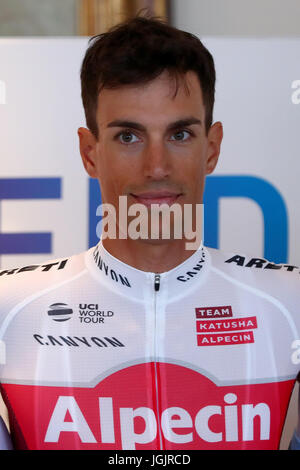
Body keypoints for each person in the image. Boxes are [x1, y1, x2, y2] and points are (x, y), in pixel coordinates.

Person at [0, 15, 299, 451]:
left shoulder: (289, 302)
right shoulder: (12, 310)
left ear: (211, 149)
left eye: (179, 134)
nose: (156, 167)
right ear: (89, 152)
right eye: (128, 137)